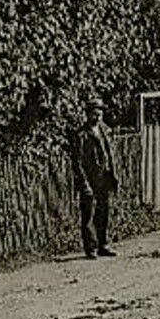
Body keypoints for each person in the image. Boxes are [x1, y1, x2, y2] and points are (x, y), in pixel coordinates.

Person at [71, 98, 118, 259]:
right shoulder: (81, 135)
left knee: (103, 212)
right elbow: (77, 163)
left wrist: (113, 175)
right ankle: (90, 248)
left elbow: (110, 155)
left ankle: (103, 244)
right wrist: (83, 183)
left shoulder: (105, 131)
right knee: (88, 214)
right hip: (89, 179)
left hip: (104, 177)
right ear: (88, 115)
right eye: (94, 114)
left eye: (100, 114)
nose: (97, 117)